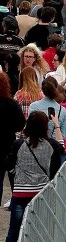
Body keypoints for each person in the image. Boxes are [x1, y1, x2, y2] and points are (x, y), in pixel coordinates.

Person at [1, 112, 63, 242]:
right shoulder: (51, 145)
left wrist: (16, 173)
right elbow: (62, 147)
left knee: (14, 232)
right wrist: (56, 124)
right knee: (41, 231)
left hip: (20, 193)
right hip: (41, 194)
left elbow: (8, 164)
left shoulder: (19, 145)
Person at [0, 71, 25, 207]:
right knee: (13, 177)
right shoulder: (12, 104)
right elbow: (20, 124)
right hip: (9, 144)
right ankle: (15, 203)